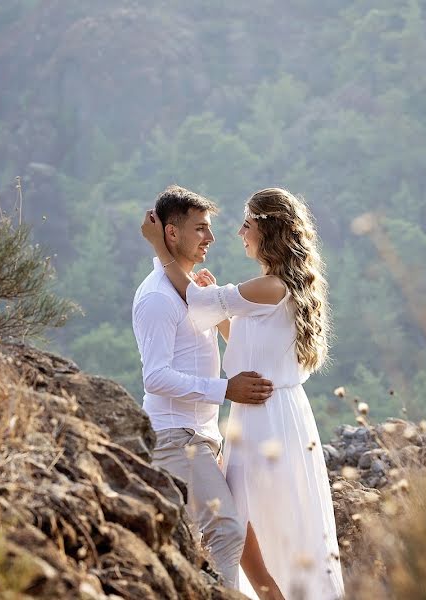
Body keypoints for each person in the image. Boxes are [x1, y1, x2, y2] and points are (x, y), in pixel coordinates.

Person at [142, 187, 344, 600]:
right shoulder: (282, 286)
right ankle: (272, 594)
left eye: (247, 225)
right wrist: (220, 312)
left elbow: (196, 303)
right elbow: (248, 344)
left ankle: (271, 593)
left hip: (262, 414)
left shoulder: (269, 286)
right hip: (277, 411)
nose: (238, 233)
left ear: (267, 232)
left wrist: (160, 251)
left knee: (250, 518)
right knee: (250, 517)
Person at [131, 185, 283, 596]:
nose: (211, 238)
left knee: (210, 539)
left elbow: (224, 329)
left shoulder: (189, 292)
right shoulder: (158, 299)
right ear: (172, 234)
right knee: (228, 532)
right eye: (200, 229)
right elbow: (155, 377)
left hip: (203, 437)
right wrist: (226, 389)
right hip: (176, 435)